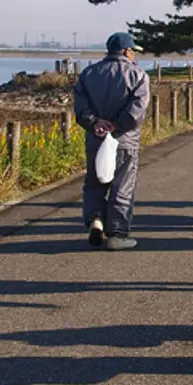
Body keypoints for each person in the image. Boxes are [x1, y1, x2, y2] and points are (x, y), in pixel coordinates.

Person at [73, 32, 151, 251]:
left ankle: (95, 219)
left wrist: (95, 122)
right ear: (127, 51)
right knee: (122, 185)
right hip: (125, 139)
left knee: (95, 181)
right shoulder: (138, 75)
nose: (134, 55)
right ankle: (117, 233)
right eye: (134, 51)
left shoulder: (89, 73)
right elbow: (138, 108)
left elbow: (80, 106)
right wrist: (118, 125)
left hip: (96, 137)